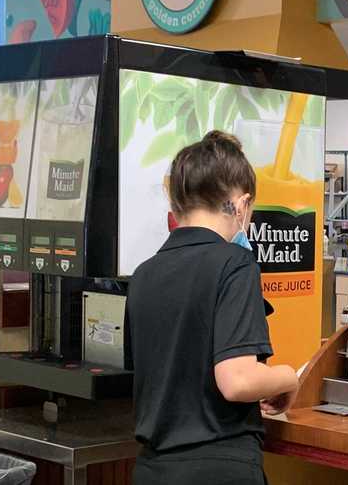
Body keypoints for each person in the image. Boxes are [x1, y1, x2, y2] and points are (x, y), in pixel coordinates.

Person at [125, 131, 299, 484]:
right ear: (242, 204)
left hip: (152, 470)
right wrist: (289, 377)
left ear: (176, 203)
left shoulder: (143, 274)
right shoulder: (234, 264)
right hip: (218, 469)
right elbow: (237, 381)